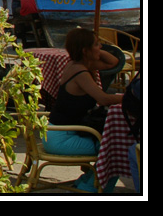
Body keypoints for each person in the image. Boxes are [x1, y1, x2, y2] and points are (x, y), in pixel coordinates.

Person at [45, 27, 124, 192]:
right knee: (115, 152)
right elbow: (102, 99)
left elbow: (114, 62)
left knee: (113, 149)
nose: (101, 47)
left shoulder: (77, 64)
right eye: (97, 45)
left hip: (59, 132)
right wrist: (129, 98)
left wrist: (92, 51)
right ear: (85, 50)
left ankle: (85, 184)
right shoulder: (79, 72)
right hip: (62, 138)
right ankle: (90, 190)